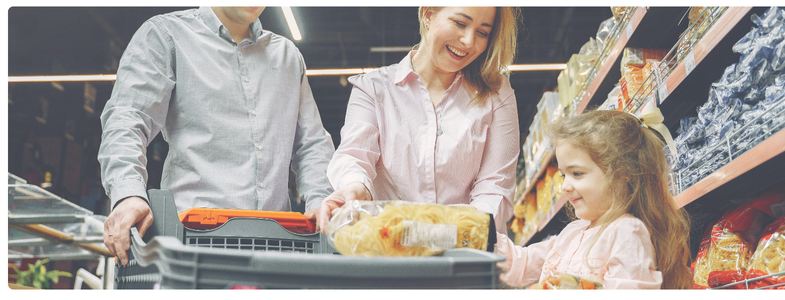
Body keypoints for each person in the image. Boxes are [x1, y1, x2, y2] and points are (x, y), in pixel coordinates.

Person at [98, 7, 335, 265]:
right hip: (192, 243)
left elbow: (312, 144)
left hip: (276, 246)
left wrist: (322, 202)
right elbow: (128, 118)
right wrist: (128, 193)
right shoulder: (167, 35)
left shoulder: (287, 55)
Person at [317, 7, 521, 234]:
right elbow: (354, 156)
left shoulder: (496, 94)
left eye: (483, 33)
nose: (469, 40)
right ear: (428, 15)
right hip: (390, 251)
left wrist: (454, 235)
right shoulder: (373, 89)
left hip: (466, 255)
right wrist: (355, 187)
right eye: (460, 24)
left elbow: (495, 187)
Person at [494, 109, 693, 289]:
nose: (564, 186)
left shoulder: (626, 232)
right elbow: (524, 263)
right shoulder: (573, 232)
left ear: (623, 173)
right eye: (564, 175)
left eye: (577, 173)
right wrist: (485, 236)